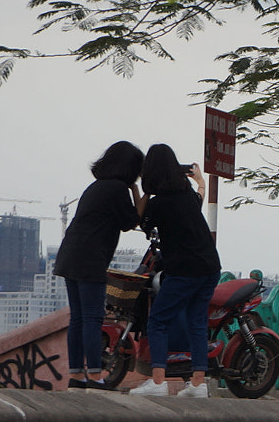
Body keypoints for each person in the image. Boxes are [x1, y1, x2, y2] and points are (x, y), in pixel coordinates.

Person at [129, 144, 222, 398]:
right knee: (197, 322)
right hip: (210, 267)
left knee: (159, 321)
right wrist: (200, 181)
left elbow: (139, 220)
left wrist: (142, 190)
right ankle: (198, 384)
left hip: (184, 270)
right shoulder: (187, 195)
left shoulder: (159, 204)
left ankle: (158, 383)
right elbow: (200, 198)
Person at [53, 141, 145, 390]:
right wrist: (140, 193)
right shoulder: (117, 189)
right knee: (93, 318)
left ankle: (76, 375)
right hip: (90, 259)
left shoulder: (97, 186)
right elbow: (131, 221)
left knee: (78, 319)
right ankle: (95, 376)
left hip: (70, 256)